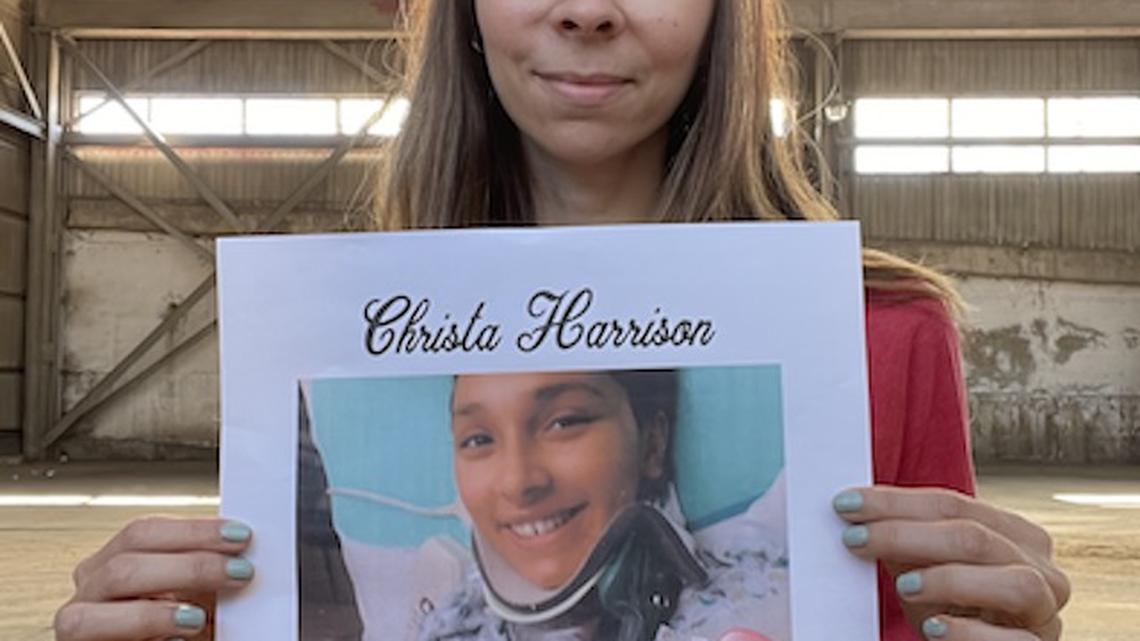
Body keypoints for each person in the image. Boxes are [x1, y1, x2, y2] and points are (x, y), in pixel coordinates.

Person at [55, 1, 1070, 641]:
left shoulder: (882, 330)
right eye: (477, 435)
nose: (587, 10)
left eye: (571, 416)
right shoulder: (323, 323)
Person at [415, 370, 788, 641]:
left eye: (564, 422)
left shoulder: (770, 606)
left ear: (653, 443)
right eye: (478, 439)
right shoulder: (445, 630)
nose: (518, 483)